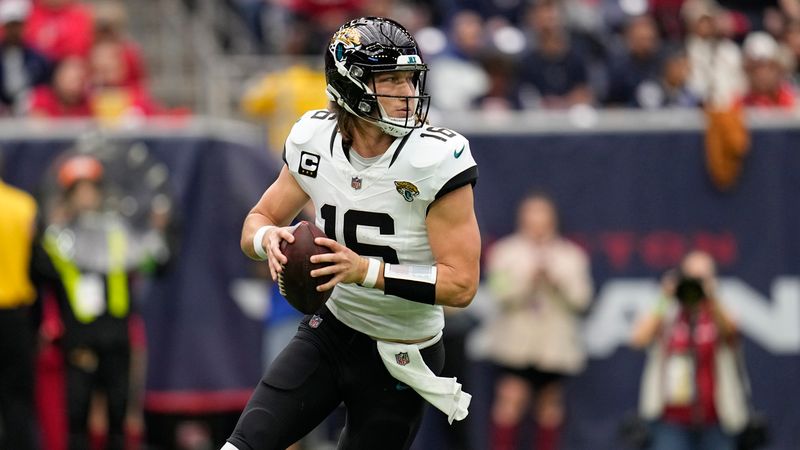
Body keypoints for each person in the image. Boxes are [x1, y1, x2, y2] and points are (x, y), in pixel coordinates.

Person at [223, 16, 481, 450]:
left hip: (403, 348)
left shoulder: (436, 159)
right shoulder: (314, 139)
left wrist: (364, 270)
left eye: (411, 79)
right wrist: (267, 239)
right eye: (392, 80)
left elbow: (461, 285)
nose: (408, 93)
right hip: (332, 330)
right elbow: (258, 218)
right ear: (352, 85)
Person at [40, 153, 168, 450]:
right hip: (79, 337)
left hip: (116, 334)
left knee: (118, 413)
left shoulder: (118, 232)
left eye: (90, 189)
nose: (85, 197)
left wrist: (157, 232)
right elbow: (42, 268)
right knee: (77, 413)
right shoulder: (59, 236)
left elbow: (155, 263)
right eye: (78, 190)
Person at [483, 192, 592, 450]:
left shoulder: (571, 256)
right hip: (515, 346)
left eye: (542, 213)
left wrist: (557, 281)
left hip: (554, 347)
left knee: (550, 407)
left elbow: (583, 300)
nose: (537, 220)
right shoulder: (504, 252)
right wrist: (526, 280)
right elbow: (498, 292)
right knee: (510, 400)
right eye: (531, 213)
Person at [631, 250, 747, 450]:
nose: (696, 284)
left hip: (717, 419)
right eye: (692, 277)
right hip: (672, 421)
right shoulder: (669, 313)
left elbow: (732, 333)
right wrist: (664, 297)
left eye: (702, 277)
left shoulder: (717, 312)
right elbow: (638, 339)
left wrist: (713, 298)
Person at [0, 153, 40, 450]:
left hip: (15, 311)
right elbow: (37, 266)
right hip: (15, 316)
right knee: (17, 399)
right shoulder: (23, 205)